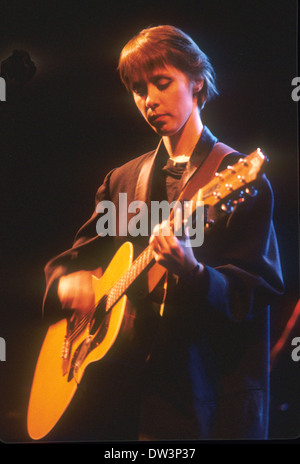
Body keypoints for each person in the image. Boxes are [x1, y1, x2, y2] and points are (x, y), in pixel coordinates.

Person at [41, 25, 284, 441]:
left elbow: (257, 290)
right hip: (123, 403)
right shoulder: (121, 180)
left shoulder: (238, 178)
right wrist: (67, 283)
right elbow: (74, 260)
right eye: (138, 89)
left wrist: (194, 273)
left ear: (197, 81)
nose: (149, 100)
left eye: (162, 82)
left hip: (207, 404)